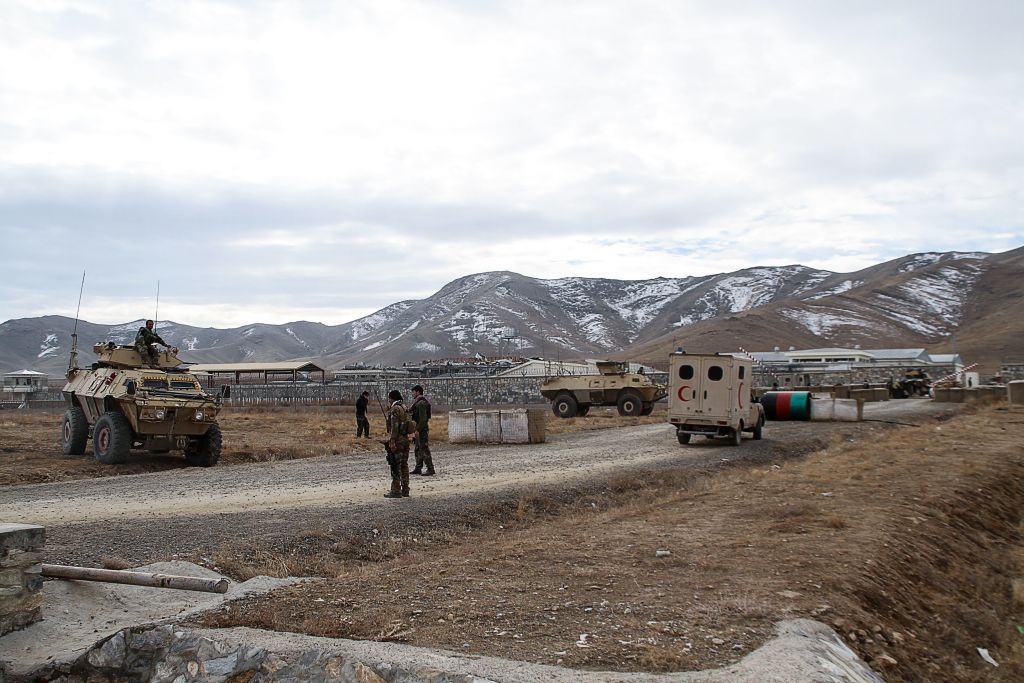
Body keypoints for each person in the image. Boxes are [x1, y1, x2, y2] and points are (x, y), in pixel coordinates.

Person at [384, 389, 411, 498]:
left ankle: (396, 490)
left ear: (391, 398)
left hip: (398, 440)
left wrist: (392, 440)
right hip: (405, 439)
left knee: (395, 464)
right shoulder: (404, 407)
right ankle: (405, 489)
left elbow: (394, 427)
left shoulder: (395, 409)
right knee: (404, 465)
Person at [409, 384, 434, 476]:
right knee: (418, 449)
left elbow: (423, 419)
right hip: (419, 428)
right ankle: (418, 468)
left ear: (418, 392)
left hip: (422, 429)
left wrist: (418, 430)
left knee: (423, 449)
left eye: (413, 392)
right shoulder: (417, 402)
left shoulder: (421, 403)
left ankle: (430, 468)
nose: (412, 394)